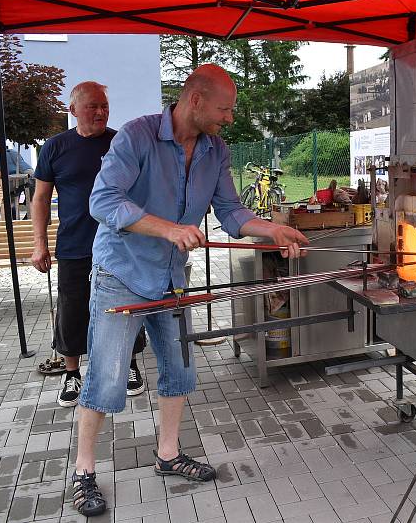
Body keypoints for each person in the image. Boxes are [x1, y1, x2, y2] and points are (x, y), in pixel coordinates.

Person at [70, 64, 308, 517]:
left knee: (179, 370)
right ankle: (84, 471)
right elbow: (102, 201)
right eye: (225, 108)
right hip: (121, 274)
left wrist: (272, 230)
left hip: (171, 277)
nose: (230, 118)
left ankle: (168, 454)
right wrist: (167, 229)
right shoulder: (136, 137)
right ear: (195, 100)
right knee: (106, 375)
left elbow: (232, 213)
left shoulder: (216, 150)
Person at [31, 81, 147, 408]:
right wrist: (39, 243)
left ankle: (130, 364)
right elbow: (40, 198)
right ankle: (72, 372)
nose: (100, 112)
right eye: (92, 106)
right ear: (73, 110)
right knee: (72, 309)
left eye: (104, 106)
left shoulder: (119, 143)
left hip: (120, 244)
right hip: (73, 243)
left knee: (126, 305)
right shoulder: (54, 147)